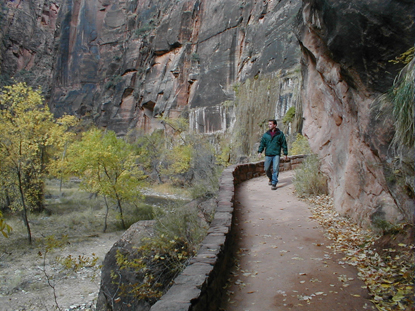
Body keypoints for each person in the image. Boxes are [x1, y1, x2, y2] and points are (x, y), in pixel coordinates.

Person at [258, 119, 288, 190]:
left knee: (275, 169)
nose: (269, 125)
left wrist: (285, 153)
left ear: (275, 125)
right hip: (268, 154)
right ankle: (270, 178)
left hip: (276, 154)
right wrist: (260, 152)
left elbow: (284, 144)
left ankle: (274, 183)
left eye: (270, 124)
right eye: (269, 124)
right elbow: (262, 144)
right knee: (266, 169)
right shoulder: (266, 135)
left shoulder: (280, 134)